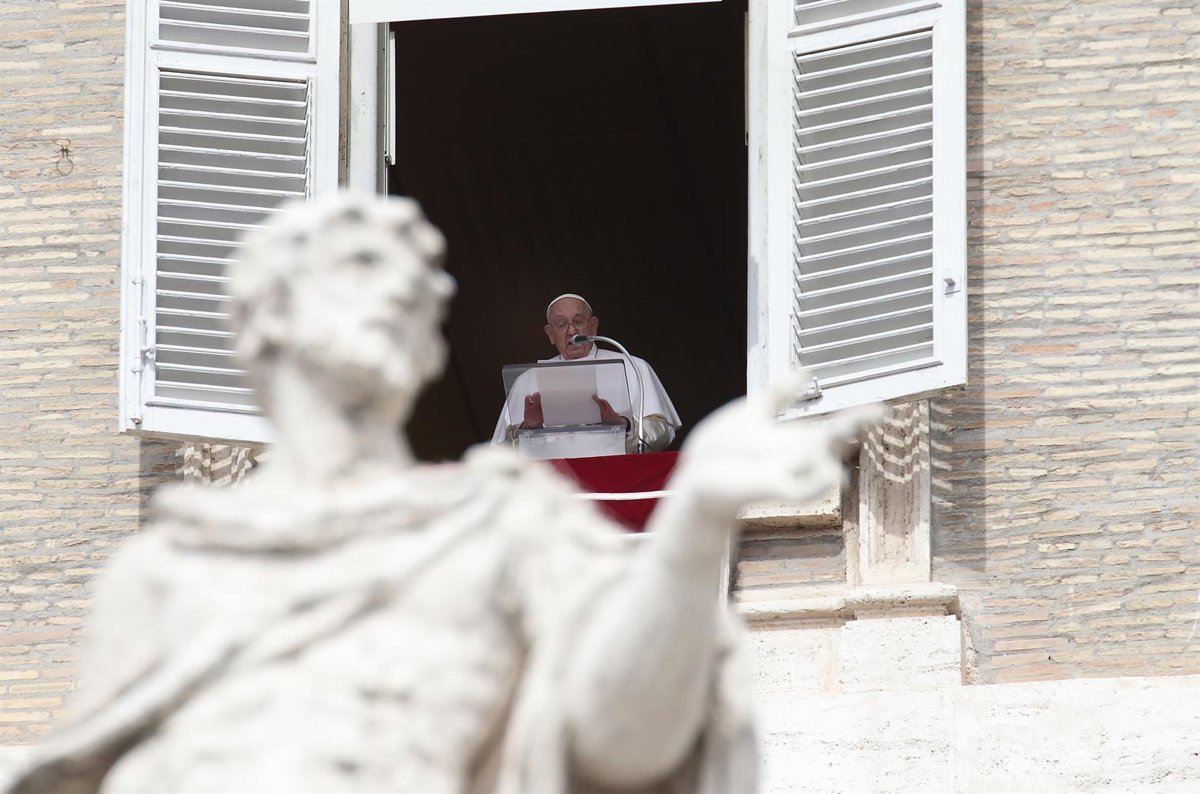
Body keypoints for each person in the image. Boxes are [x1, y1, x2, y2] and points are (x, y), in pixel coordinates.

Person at [3, 193, 874, 794]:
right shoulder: (163, 570)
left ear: (428, 343)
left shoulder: (509, 528)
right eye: (355, 267)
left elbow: (625, 750)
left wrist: (692, 529)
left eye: (412, 284)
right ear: (262, 319)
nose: (393, 288)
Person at [491, 293, 681, 452]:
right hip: (555, 481)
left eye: (578, 321)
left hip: (617, 475)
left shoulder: (633, 366)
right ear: (550, 334)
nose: (571, 331)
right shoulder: (527, 380)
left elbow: (663, 432)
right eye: (561, 324)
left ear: (593, 326)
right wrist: (528, 428)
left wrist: (623, 425)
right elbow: (501, 453)